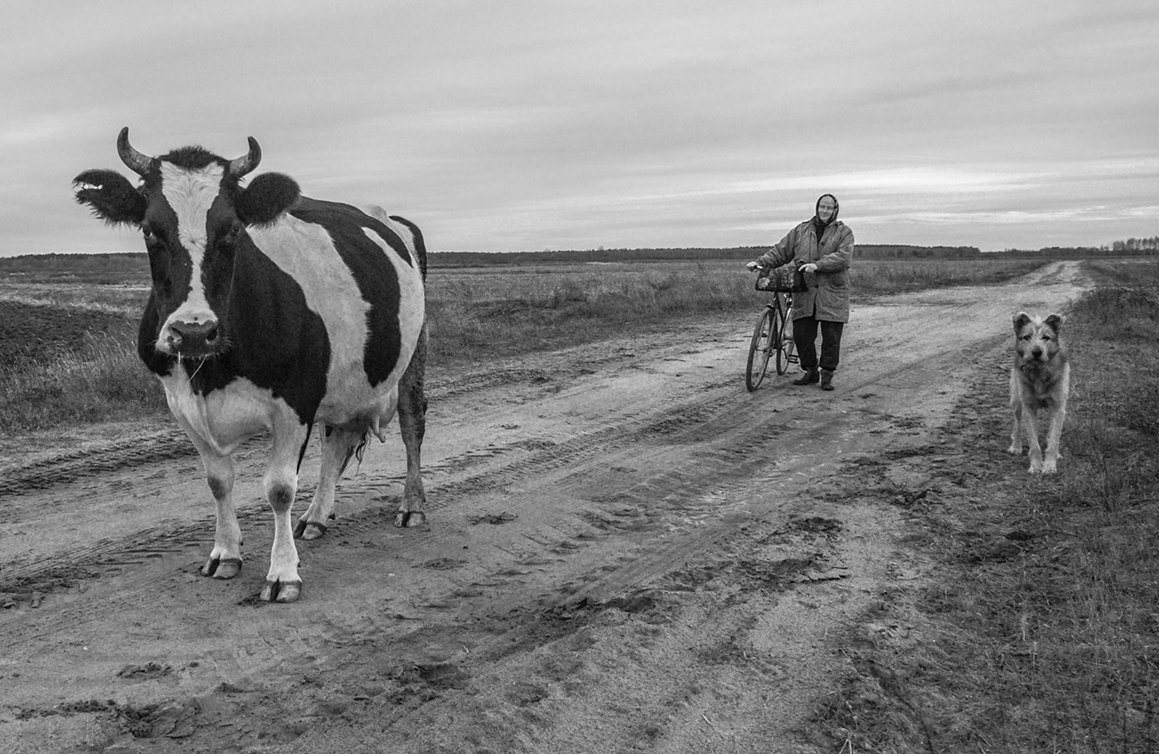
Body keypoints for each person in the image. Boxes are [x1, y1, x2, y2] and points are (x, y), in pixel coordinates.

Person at [746, 194, 853, 391]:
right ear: (817, 207)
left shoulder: (844, 232)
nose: (824, 211)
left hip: (832, 291)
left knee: (831, 336)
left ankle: (827, 375)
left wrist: (818, 265)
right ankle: (810, 370)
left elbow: (843, 258)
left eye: (829, 208)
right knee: (802, 333)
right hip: (805, 291)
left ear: (835, 210)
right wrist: (760, 263)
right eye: (822, 206)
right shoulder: (801, 230)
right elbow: (781, 251)